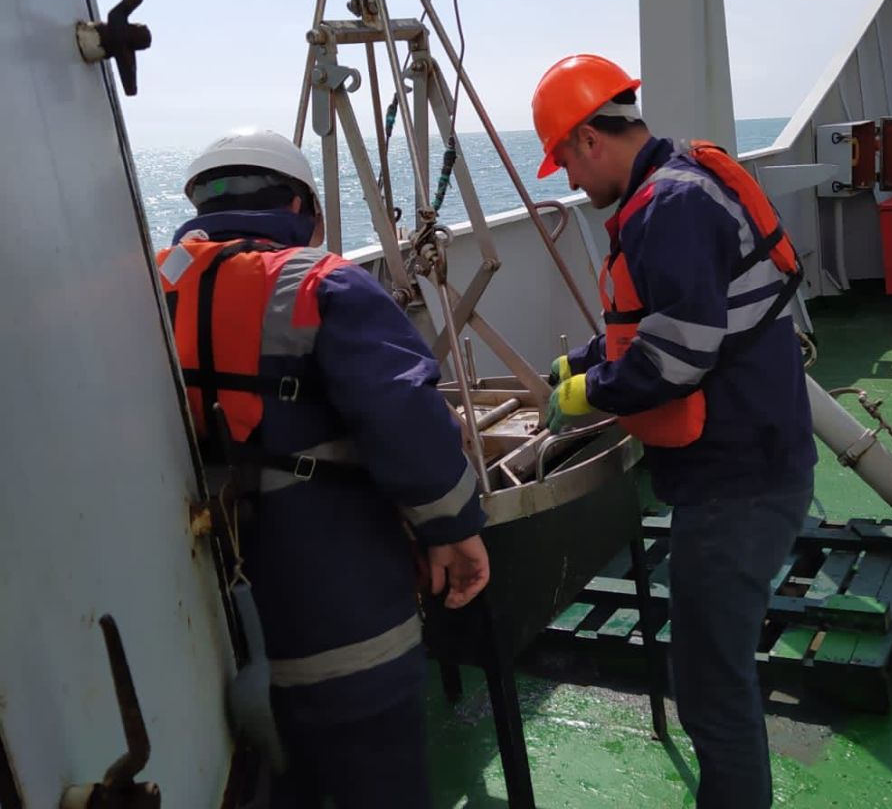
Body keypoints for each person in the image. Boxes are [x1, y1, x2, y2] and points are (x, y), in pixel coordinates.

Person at [157, 127, 489, 809]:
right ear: (301, 206)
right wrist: (454, 527)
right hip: (345, 621)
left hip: (220, 629)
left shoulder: (151, 293)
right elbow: (407, 417)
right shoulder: (323, 283)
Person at [532, 55, 816, 809]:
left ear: (590, 138)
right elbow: (656, 318)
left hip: (739, 484)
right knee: (711, 676)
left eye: (565, 160)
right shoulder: (676, 183)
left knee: (712, 689)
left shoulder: (669, 206)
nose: (570, 181)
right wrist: (580, 360)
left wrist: (587, 392)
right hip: (746, 466)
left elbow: (677, 358)